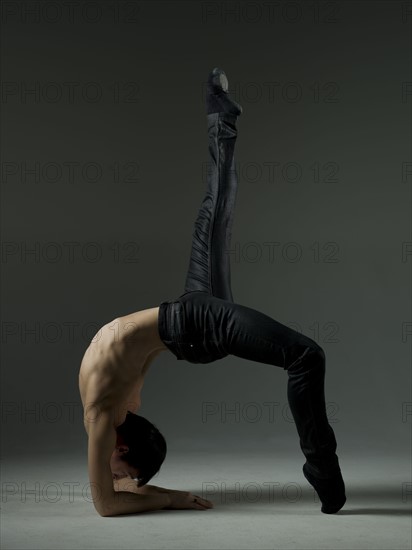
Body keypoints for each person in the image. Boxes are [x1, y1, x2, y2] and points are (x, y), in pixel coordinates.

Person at [78, 67, 346, 517]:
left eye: (118, 471)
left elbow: (109, 495)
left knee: (215, 215)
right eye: (123, 471)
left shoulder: (109, 413)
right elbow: (106, 504)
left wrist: (144, 488)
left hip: (189, 316)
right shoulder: (107, 412)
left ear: (122, 448)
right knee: (306, 356)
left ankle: (221, 117)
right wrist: (171, 497)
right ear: (124, 447)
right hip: (197, 328)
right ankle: (322, 469)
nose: (111, 472)